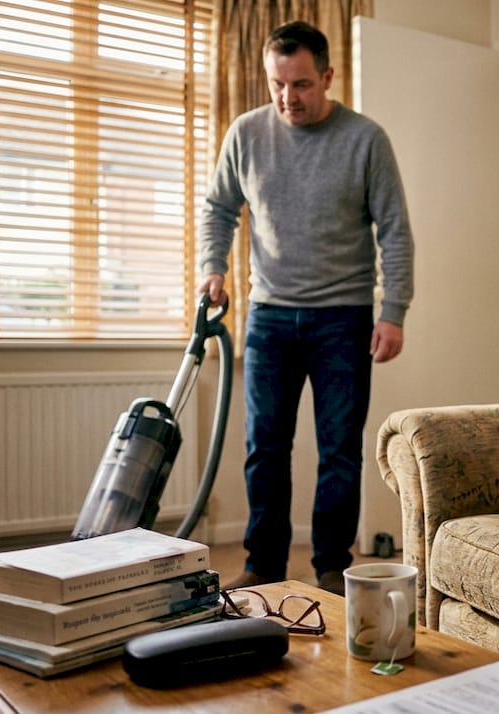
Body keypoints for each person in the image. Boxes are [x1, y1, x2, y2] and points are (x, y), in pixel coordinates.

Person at [197, 21, 414, 595]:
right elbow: (219, 209)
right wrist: (212, 268)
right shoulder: (247, 134)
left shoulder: (366, 139)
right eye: (277, 85)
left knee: (339, 450)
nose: (287, 98)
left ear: (327, 76)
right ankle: (265, 561)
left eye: (300, 85)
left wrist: (393, 311)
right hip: (269, 315)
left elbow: (394, 231)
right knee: (264, 446)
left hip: (343, 318)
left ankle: (330, 567)